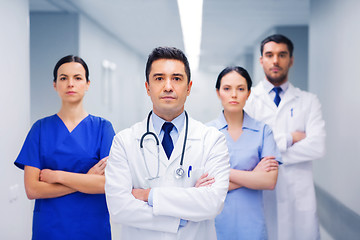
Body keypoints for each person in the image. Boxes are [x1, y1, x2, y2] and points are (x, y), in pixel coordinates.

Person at [105, 46, 230, 240]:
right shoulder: (124, 141)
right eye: (159, 78)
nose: (168, 86)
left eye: (177, 78)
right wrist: (179, 215)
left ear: (189, 87)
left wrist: (149, 196)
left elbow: (213, 203)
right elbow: (119, 208)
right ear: (147, 87)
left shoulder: (212, 139)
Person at [14, 55, 115, 240]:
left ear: (87, 84)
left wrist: (58, 176)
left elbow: (107, 184)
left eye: (77, 78)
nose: (70, 84)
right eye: (63, 78)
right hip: (50, 229)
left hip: (91, 228)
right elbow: (32, 189)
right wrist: (86, 179)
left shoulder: (103, 128)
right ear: (55, 85)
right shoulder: (40, 129)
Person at [244, 34, 326, 240]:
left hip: (299, 196)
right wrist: (290, 138)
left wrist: (268, 154)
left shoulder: (308, 101)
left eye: (282, 55)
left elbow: (317, 146)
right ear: (261, 60)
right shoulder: (248, 100)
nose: (275, 61)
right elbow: (248, 149)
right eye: (269, 55)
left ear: (291, 60)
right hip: (262, 195)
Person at [207, 66, 281, 240]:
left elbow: (269, 181)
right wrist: (253, 175)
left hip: (252, 226)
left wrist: (222, 174)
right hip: (215, 226)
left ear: (248, 94)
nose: (234, 95)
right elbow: (204, 187)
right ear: (218, 93)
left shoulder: (263, 131)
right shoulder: (206, 133)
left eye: (240, 89)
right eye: (227, 89)